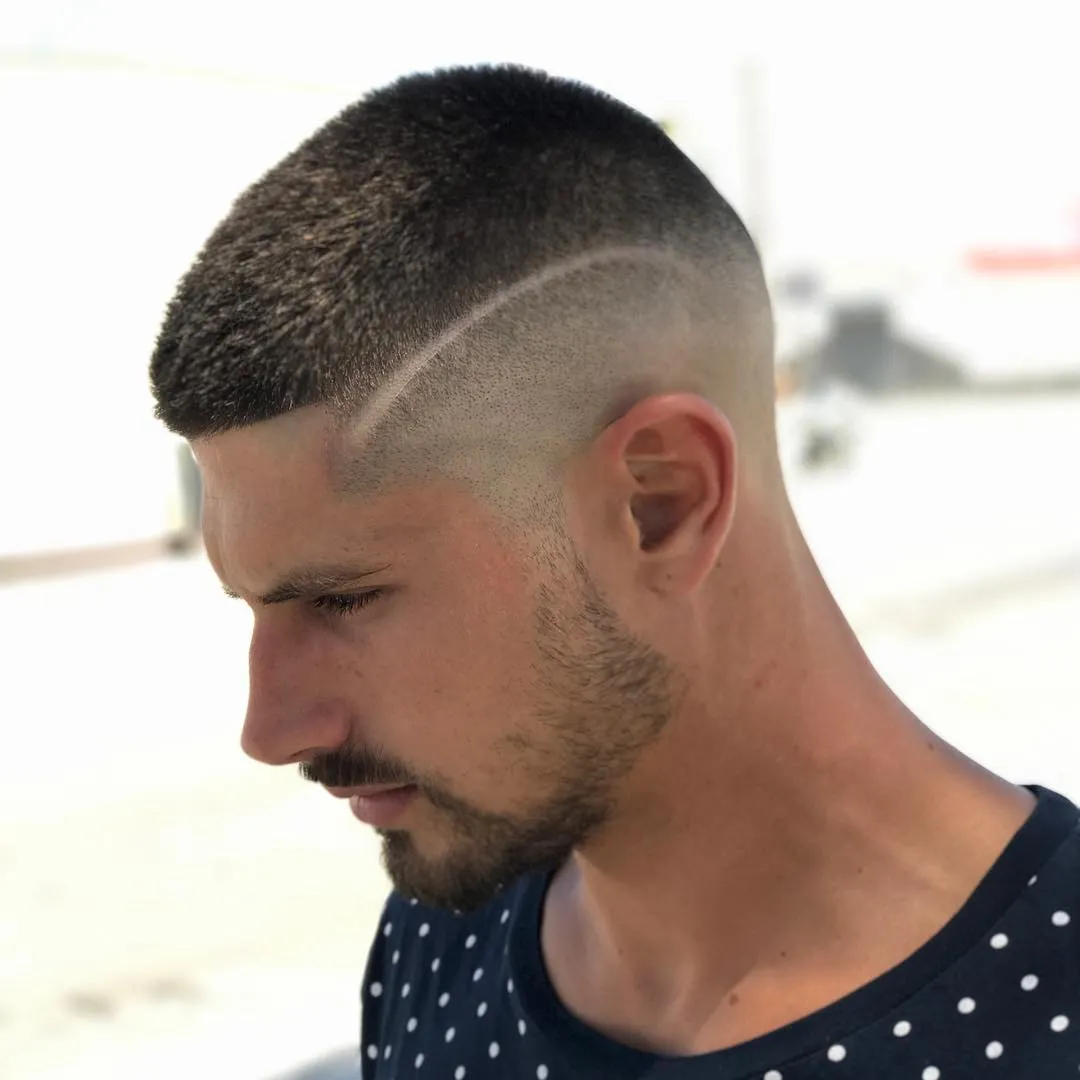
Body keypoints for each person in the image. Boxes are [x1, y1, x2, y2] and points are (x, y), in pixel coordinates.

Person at [149, 65, 1079, 1079]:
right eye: (252, 606)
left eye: (343, 598)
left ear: (659, 503)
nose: (270, 729)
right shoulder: (439, 949)